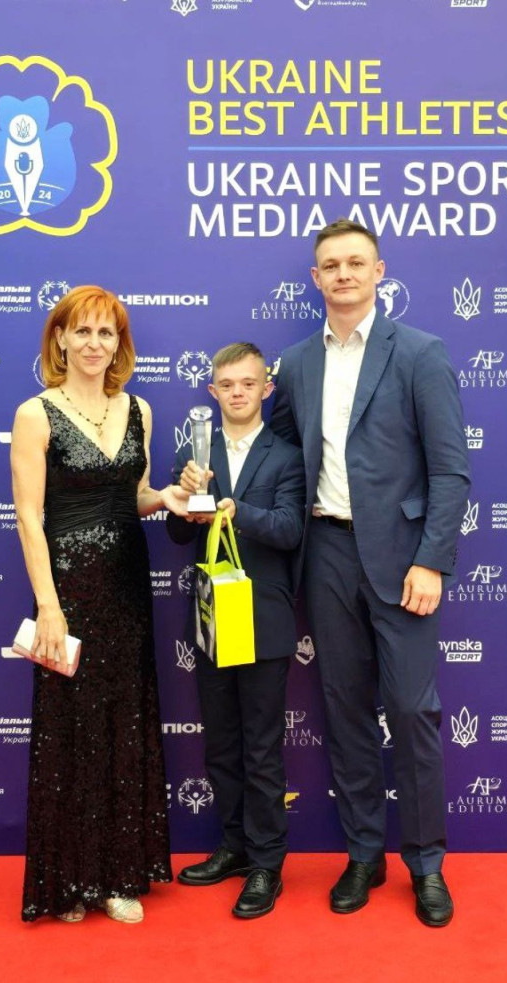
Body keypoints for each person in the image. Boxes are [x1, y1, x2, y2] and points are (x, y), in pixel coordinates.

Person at [270, 220, 470, 927]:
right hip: (325, 553)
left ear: (379, 271)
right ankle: (363, 853)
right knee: (345, 707)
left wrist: (432, 559)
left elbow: (450, 470)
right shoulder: (296, 363)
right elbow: (278, 457)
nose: (344, 274)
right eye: (331, 265)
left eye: (356, 262)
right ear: (316, 279)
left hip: (404, 560)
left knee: (412, 712)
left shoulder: (419, 352)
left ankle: (426, 864)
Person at [11, 285, 188, 923]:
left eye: (105, 333)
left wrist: (165, 498)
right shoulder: (35, 414)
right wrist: (49, 607)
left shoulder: (139, 409)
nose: (93, 344)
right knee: (73, 729)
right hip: (69, 589)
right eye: (81, 331)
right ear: (59, 339)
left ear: (120, 344)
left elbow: (131, 495)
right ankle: (70, 881)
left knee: (123, 721)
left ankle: (116, 876)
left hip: (128, 588)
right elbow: (29, 517)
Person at [168, 343, 305, 919]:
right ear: (212, 392)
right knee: (222, 743)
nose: (238, 392)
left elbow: (290, 529)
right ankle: (235, 846)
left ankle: (267, 863)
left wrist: (235, 511)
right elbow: (179, 537)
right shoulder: (194, 453)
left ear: (266, 388)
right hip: (213, 619)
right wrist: (184, 500)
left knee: (262, 747)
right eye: (227, 384)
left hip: (264, 619)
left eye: (248, 383)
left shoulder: (288, 455)